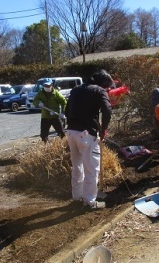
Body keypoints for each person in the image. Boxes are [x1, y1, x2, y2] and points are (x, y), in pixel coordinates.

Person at [64, 69, 113, 210]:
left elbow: (67, 111)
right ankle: (90, 202)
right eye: (107, 87)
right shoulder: (99, 91)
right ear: (103, 83)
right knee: (91, 169)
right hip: (87, 135)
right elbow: (107, 110)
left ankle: (77, 197)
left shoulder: (75, 89)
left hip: (71, 132)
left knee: (77, 166)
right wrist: (103, 128)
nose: (107, 89)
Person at [33, 78, 67, 143]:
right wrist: (38, 103)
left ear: (52, 85)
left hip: (55, 117)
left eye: (48, 86)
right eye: (45, 86)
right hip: (45, 117)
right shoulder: (40, 92)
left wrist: (63, 112)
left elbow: (63, 102)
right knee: (43, 135)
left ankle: (64, 145)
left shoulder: (56, 93)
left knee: (61, 133)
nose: (47, 87)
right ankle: (46, 146)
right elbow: (35, 101)